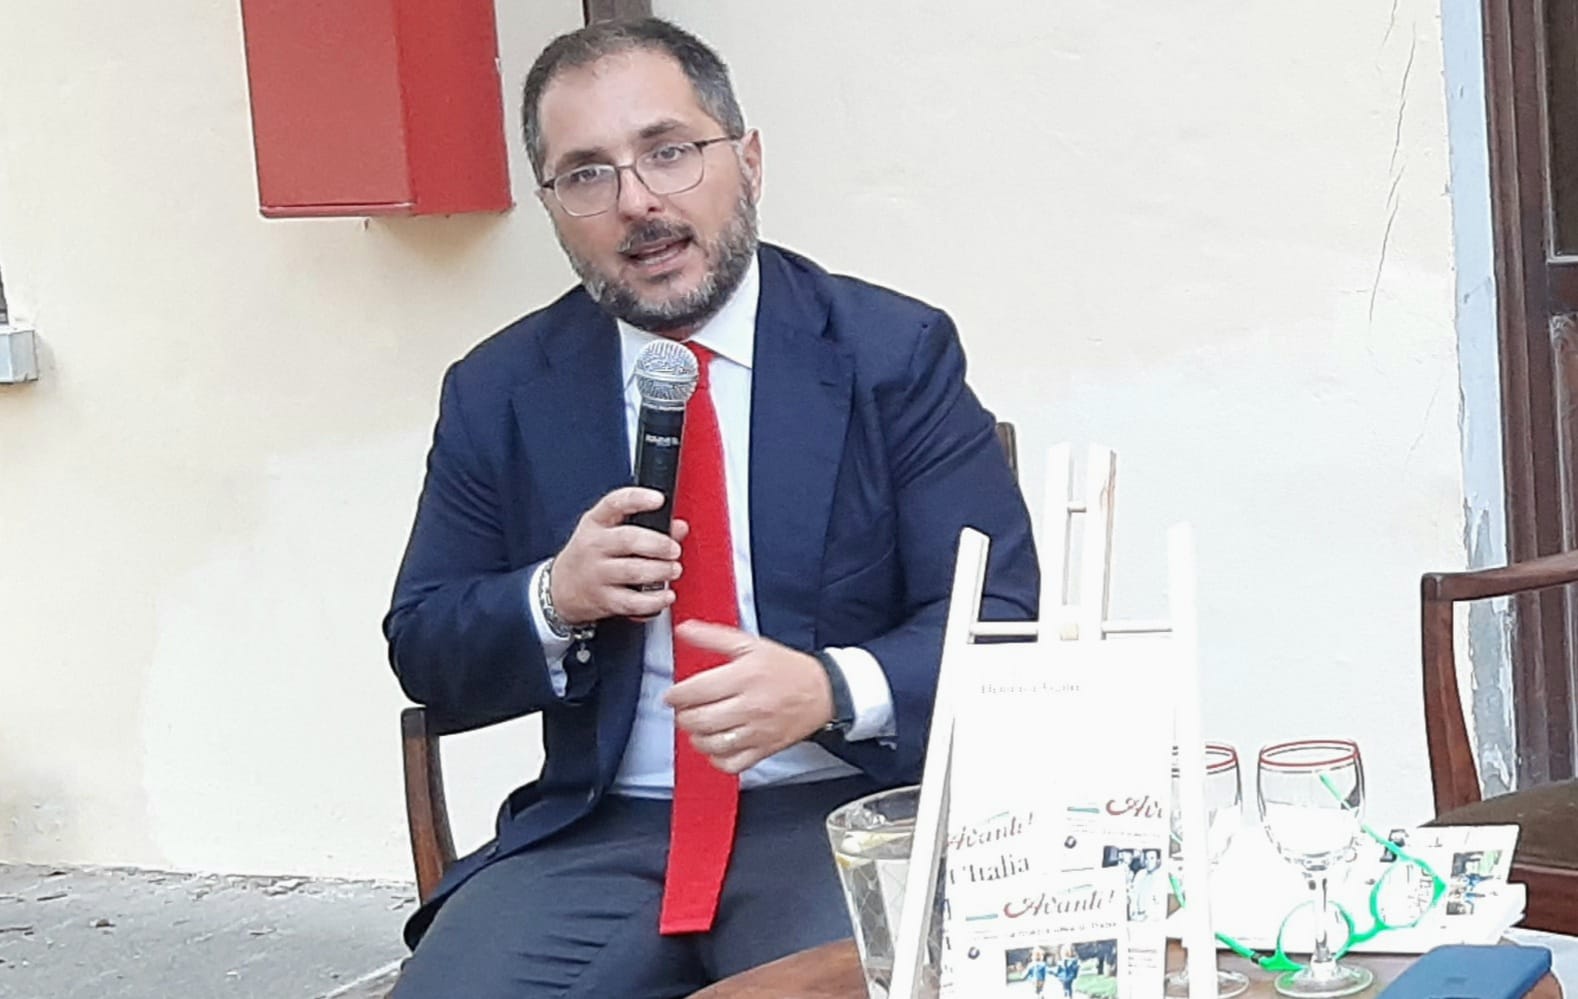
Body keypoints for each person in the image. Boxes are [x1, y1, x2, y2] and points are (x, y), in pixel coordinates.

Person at [383, 15, 1037, 999]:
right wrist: (554, 597)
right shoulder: (501, 390)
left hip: (840, 810)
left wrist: (830, 687)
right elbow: (425, 641)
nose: (637, 201)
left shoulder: (891, 355)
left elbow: (1003, 622)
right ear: (553, 207)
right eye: (587, 173)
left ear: (750, 161)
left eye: (669, 152)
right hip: (602, 832)